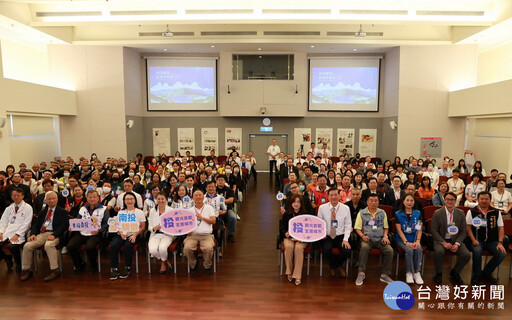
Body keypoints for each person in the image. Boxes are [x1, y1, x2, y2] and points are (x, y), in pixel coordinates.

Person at [20, 191, 69, 282]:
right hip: (42, 234)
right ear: (45, 200)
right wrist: (33, 234)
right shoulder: (43, 212)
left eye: (53, 198)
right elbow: (36, 225)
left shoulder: (62, 211)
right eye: (49, 199)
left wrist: (54, 235)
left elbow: (64, 226)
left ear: (57, 200)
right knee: (27, 245)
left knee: (48, 245)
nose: (51, 200)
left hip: (56, 234)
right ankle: (26, 270)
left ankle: (55, 270)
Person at [466, 191, 506, 285]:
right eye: (482, 199)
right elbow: (468, 228)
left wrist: (500, 242)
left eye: (486, 199)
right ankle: (477, 275)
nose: (484, 201)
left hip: (492, 241)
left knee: (501, 254)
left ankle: (486, 273)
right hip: (477, 240)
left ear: (490, 200)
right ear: (478, 200)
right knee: (477, 251)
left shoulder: (495, 212)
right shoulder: (472, 211)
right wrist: (473, 240)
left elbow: (501, 228)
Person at [354, 194, 394, 285]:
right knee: (364, 248)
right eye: (371, 200)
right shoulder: (362, 213)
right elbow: (357, 228)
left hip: (380, 239)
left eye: (375, 201)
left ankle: (385, 274)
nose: (373, 203)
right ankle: (361, 272)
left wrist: (385, 236)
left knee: (390, 250)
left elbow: (386, 227)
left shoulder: (382, 212)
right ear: (367, 202)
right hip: (367, 239)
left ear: (378, 202)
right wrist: (362, 236)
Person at [431, 192, 470, 284]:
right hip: (441, 239)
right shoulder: (437, 213)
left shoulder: (460, 213)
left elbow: (463, 231)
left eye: (452, 199)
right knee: (439, 251)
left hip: (455, 240)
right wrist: (443, 243)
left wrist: (457, 243)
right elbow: (434, 230)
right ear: (444, 201)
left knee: (466, 254)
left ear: (455, 201)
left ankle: (455, 272)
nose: (449, 201)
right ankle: (438, 273)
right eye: (447, 199)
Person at [67, 190, 109, 274]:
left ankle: (93, 265)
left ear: (98, 198)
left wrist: (99, 230)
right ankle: (79, 263)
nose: (92, 199)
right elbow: (78, 219)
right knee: (70, 246)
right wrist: (73, 225)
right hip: (82, 232)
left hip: (95, 234)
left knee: (89, 247)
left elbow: (107, 224)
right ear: (87, 198)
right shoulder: (83, 208)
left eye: (94, 197)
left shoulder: (104, 209)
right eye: (90, 197)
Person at [109, 192, 146, 280]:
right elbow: (116, 225)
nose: (129, 201)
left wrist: (135, 235)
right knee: (113, 246)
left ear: (135, 200)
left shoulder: (139, 212)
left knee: (128, 246)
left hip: (133, 234)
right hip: (121, 234)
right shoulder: (121, 212)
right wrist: (121, 233)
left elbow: (143, 226)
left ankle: (127, 267)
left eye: (131, 199)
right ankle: (114, 269)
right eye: (127, 199)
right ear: (124, 201)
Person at [317, 188, 352, 278]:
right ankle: (338, 266)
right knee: (326, 250)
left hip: (341, 236)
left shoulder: (345, 208)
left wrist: (345, 239)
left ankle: (333, 266)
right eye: (331, 195)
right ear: (328, 197)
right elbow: (319, 223)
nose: (333, 197)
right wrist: (322, 234)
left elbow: (348, 225)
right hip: (327, 236)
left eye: (336, 195)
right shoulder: (322, 208)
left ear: (339, 196)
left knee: (347, 251)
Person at [280, 194, 311, 286]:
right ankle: (289, 271)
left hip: (302, 239)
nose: (296, 204)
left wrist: (304, 237)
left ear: (302, 203)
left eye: (298, 202)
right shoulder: (287, 214)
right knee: (289, 247)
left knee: (298, 248)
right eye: (294, 202)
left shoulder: (306, 214)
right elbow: (282, 227)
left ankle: (297, 275)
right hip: (289, 238)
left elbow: (309, 229)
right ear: (291, 203)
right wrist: (286, 233)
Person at [184, 190, 216, 275]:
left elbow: (213, 221)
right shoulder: (189, 210)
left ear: (203, 197)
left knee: (208, 248)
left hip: (206, 235)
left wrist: (202, 217)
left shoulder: (209, 208)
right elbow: (185, 225)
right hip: (192, 235)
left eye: (200, 195)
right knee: (187, 248)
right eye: (196, 195)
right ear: (193, 198)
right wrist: (187, 231)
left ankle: (207, 266)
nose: (198, 197)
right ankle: (193, 264)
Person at [0, 188, 33, 273]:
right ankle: (7, 258)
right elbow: (3, 221)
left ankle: (18, 263)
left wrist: (18, 234)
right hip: (8, 231)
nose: (16, 197)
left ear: (23, 196)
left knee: (12, 246)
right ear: (11, 196)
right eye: (14, 195)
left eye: (18, 195)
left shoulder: (28, 208)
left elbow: (27, 224)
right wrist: (1, 232)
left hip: (21, 232)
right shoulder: (9, 208)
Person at [394, 194, 424, 284]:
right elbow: (399, 230)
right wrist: (406, 242)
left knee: (419, 249)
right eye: (407, 200)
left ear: (414, 202)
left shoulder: (418, 213)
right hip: (401, 240)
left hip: (414, 239)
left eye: (411, 200)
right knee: (409, 250)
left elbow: (419, 229)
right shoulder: (398, 214)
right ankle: (409, 272)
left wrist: (418, 241)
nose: (409, 202)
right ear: (403, 202)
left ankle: (417, 273)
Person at [148, 192, 174, 273]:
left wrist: (169, 231)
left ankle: (163, 264)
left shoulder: (171, 210)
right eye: (158, 199)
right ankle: (166, 261)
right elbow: (149, 227)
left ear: (166, 199)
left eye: (162, 199)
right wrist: (153, 228)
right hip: (155, 234)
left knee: (162, 248)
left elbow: (175, 226)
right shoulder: (152, 211)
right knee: (152, 250)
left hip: (167, 234)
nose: (160, 201)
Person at [215, 175, 237, 242]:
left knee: (233, 217)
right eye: (219, 180)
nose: (220, 181)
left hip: (227, 209)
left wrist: (221, 201)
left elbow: (231, 200)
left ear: (225, 181)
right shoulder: (214, 189)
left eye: (222, 180)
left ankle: (231, 234)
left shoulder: (228, 189)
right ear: (216, 181)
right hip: (215, 209)